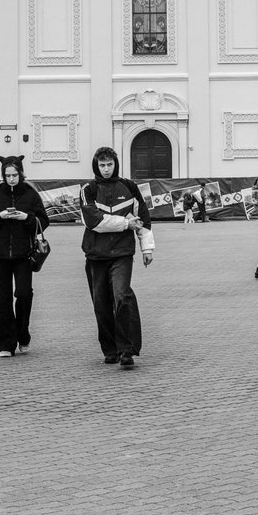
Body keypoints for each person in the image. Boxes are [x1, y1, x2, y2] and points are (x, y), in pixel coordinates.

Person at [81, 146, 152, 369]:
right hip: (96, 254)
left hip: (122, 253)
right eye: (102, 165)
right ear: (96, 165)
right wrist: (125, 223)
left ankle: (127, 350)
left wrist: (147, 248)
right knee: (101, 304)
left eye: (109, 164)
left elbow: (143, 218)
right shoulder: (88, 190)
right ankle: (110, 350)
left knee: (122, 296)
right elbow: (94, 222)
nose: (106, 169)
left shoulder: (129, 187)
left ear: (116, 164)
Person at [0, 156, 49, 357]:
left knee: (24, 294)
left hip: (24, 254)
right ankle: (5, 345)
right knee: (3, 298)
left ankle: (23, 334)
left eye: (14, 175)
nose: (11, 179)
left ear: (21, 174)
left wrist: (26, 217)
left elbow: (43, 222)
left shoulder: (30, 194)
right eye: (7, 175)